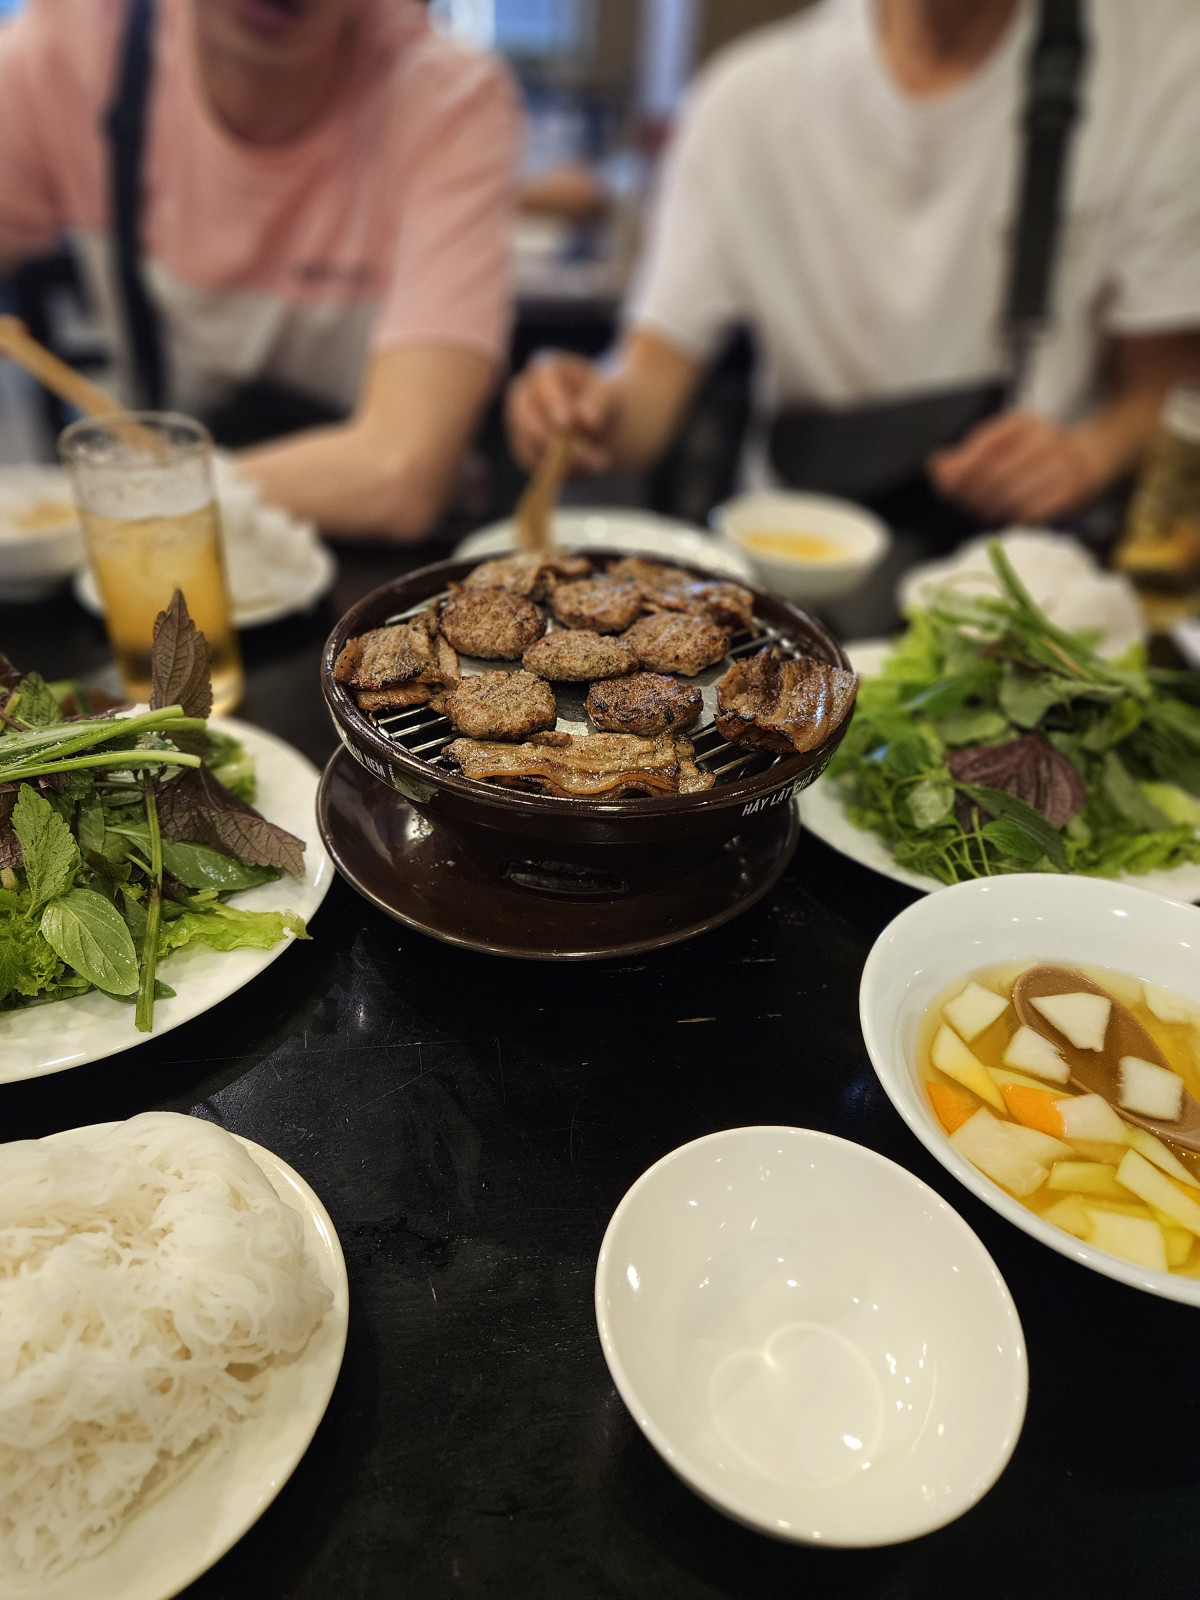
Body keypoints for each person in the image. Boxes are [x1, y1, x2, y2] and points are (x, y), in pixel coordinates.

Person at [507, 0, 1200, 534]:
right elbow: (652, 377)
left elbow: (1165, 384)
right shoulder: (748, 96)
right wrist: (589, 408)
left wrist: (1087, 454)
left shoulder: (1159, 64)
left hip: (1031, 560)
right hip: (793, 552)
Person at [0, 0, 522, 540]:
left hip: (372, 555)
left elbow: (402, 475)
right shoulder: (70, 50)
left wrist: (119, 497)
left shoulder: (446, 98)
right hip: (166, 543)